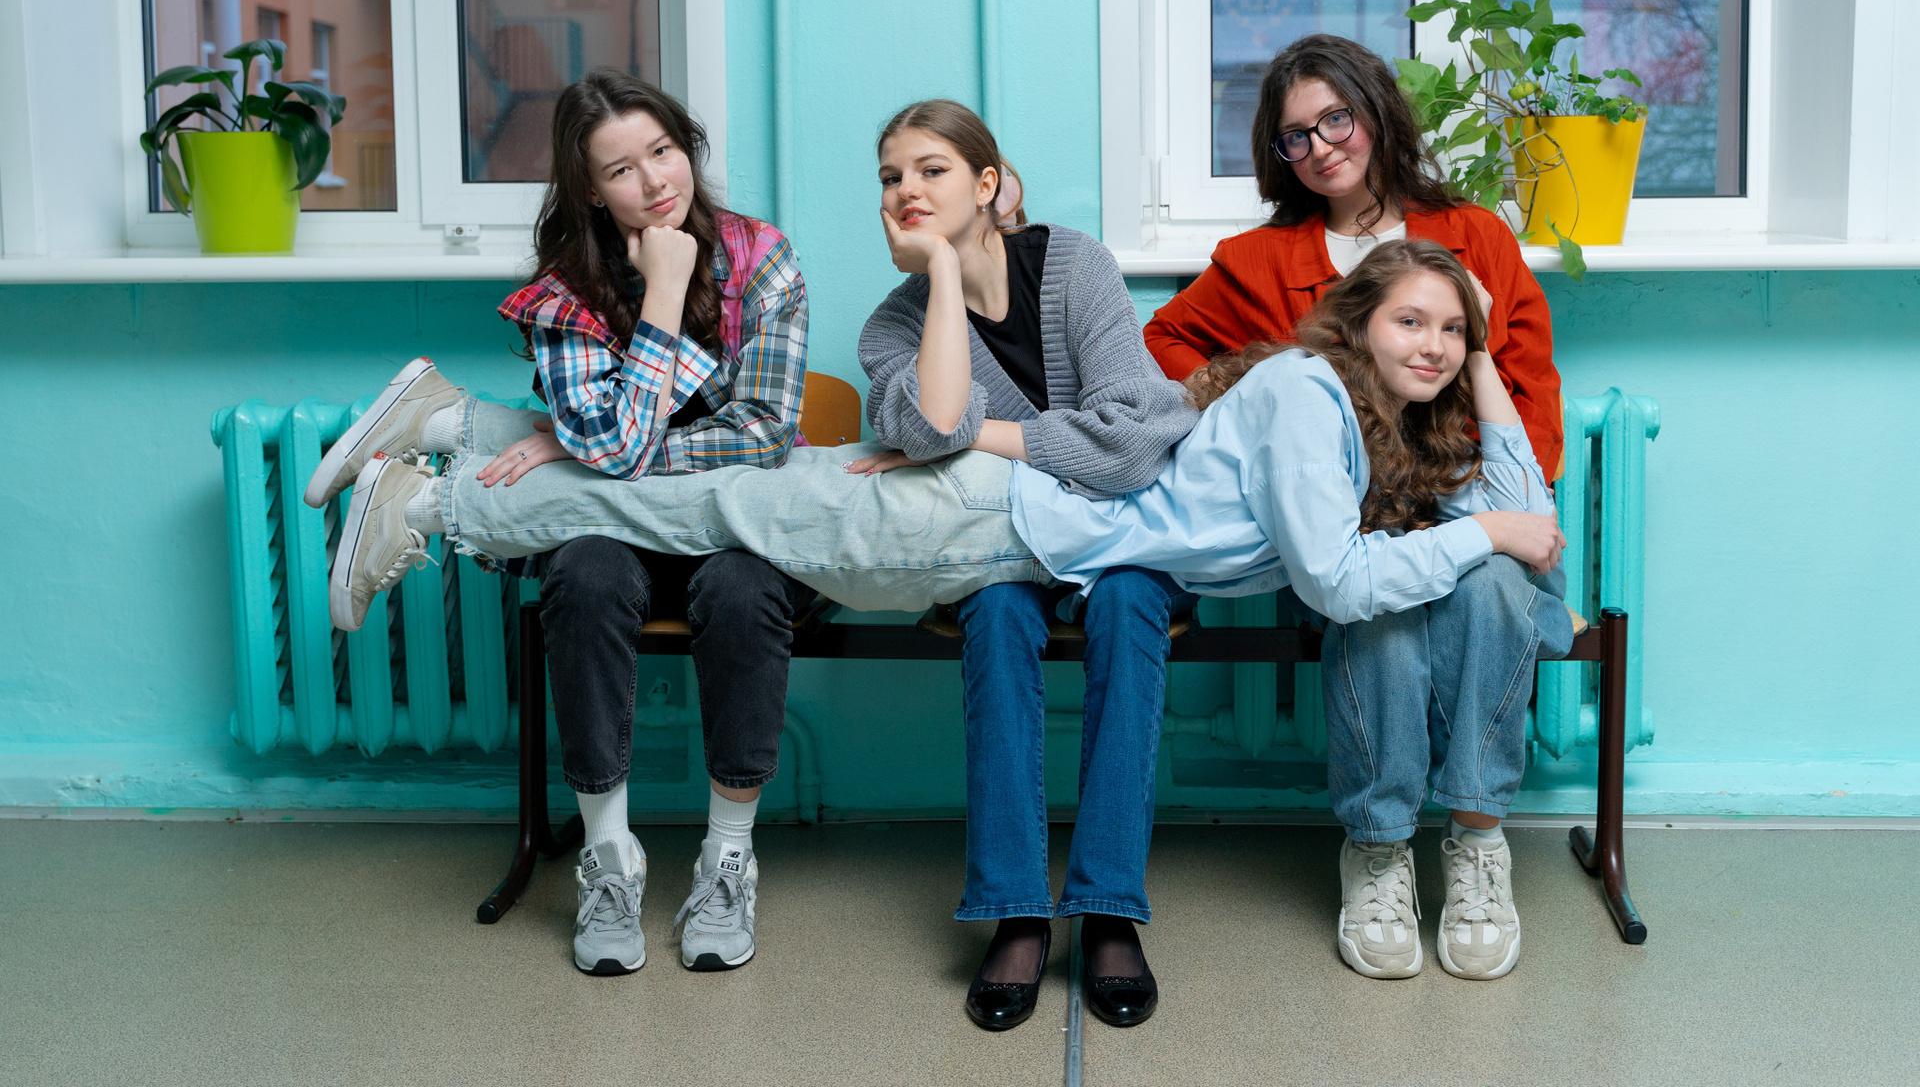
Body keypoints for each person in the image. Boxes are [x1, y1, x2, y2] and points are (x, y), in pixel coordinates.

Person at [328, 240, 1570, 988]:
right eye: (1412, 320)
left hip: (1012, 523)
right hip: (990, 517)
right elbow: (1341, 579)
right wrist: (1489, 533)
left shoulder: (1377, 415)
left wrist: (1484, 376)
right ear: (1356, 323)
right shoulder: (1308, 391)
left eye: (1451, 329)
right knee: (711, 503)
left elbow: (1530, 517)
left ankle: (449, 423)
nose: (1432, 342)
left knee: (716, 492)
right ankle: (433, 498)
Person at [307, 70, 810, 978]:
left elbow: (765, 434)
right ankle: (609, 860)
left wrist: (577, 448)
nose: (653, 182)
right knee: (584, 575)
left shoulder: (759, 256)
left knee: (743, 588)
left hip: (734, 527)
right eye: (621, 170)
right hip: (611, 536)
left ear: (687, 148)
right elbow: (618, 446)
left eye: (663, 152)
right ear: (590, 190)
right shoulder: (566, 292)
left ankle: (727, 860)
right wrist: (662, 298)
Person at [851, 100, 1198, 1030]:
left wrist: (983, 438)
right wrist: (938, 272)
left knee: (1129, 604)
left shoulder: (1075, 265)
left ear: (988, 184)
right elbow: (932, 425)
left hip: (1129, 536)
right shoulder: (891, 329)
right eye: (890, 177)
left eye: (931, 169)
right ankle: (1014, 908)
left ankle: (1108, 907)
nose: (907, 189)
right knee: (998, 610)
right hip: (1004, 545)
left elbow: (1131, 447)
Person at [1143, 33, 1564, 480]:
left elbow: (1534, 387)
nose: (1320, 148)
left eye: (1335, 119)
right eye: (1296, 136)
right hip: (1333, 494)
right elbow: (1159, 339)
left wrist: (1523, 493)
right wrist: (1244, 407)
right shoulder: (1255, 259)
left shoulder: (1479, 235)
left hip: (1470, 485)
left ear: (1377, 110)